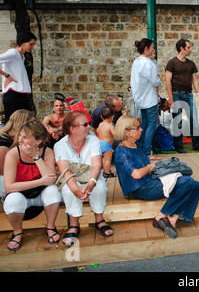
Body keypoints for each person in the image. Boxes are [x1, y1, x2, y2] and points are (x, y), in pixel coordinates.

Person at [114, 115, 199, 239]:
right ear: (126, 132)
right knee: (187, 182)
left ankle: (173, 219)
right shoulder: (121, 151)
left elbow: (139, 162)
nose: (141, 130)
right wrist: (150, 167)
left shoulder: (135, 145)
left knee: (197, 185)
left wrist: (149, 160)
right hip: (139, 189)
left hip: (150, 182)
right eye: (137, 128)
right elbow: (136, 174)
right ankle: (161, 216)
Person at [54, 110, 113, 245]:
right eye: (85, 124)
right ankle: (74, 225)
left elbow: (97, 165)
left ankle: (99, 219)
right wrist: (76, 189)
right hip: (71, 179)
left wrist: (91, 183)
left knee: (99, 187)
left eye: (88, 124)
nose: (89, 127)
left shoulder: (93, 140)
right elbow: (65, 171)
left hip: (91, 176)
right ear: (72, 128)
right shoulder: (60, 145)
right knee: (69, 191)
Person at [2, 120, 61, 251]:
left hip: (40, 195)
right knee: (13, 199)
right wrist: (40, 182)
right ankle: (17, 232)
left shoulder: (47, 151)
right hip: (20, 195)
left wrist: (36, 157)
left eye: (25, 137)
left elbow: (51, 179)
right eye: (20, 136)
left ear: (38, 141)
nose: (20, 140)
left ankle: (50, 226)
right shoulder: (13, 153)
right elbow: (9, 187)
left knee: (53, 190)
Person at [165, 39, 199, 153]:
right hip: (176, 94)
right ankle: (178, 145)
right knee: (177, 120)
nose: (190, 49)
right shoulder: (172, 63)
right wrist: (170, 97)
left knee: (194, 120)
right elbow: (168, 81)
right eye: (188, 47)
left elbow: (195, 80)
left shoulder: (191, 64)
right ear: (182, 48)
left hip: (189, 94)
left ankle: (196, 144)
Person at [131, 38, 162, 159]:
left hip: (140, 97)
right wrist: (159, 78)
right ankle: (147, 151)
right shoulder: (149, 64)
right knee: (152, 124)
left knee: (144, 123)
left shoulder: (137, 62)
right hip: (149, 98)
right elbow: (155, 82)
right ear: (146, 49)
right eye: (152, 47)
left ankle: (141, 148)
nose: (153, 49)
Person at [0, 31, 37, 123]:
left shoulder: (22, 56)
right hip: (13, 93)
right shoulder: (13, 53)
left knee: (28, 121)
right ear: (23, 42)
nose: (32, 47)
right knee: (12, 123)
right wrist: (7, 76)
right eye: (31, 44)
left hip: (21, 94)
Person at [0, 109, 35, 197]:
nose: (35, 125)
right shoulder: (3, 141)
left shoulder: (18, 138)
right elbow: (2, 170)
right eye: (32, 122)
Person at [98, 106, 116, 178]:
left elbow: (98, 130)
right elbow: (115, 134)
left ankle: (105, 170)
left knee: (104, 159)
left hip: (100, 143)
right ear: (112, 117)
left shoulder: (100, 124)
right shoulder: (110, 126)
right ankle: (108, 172)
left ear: (101, 116)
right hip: (107, 145)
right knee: (108, 159)